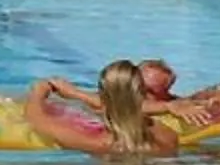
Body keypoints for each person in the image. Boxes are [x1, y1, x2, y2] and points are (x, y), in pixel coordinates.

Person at [28, 59, 181, 157]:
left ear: (103, 94)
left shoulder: (98, 142)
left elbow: (36, 119)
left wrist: (38, 92)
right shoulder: (167, 135)